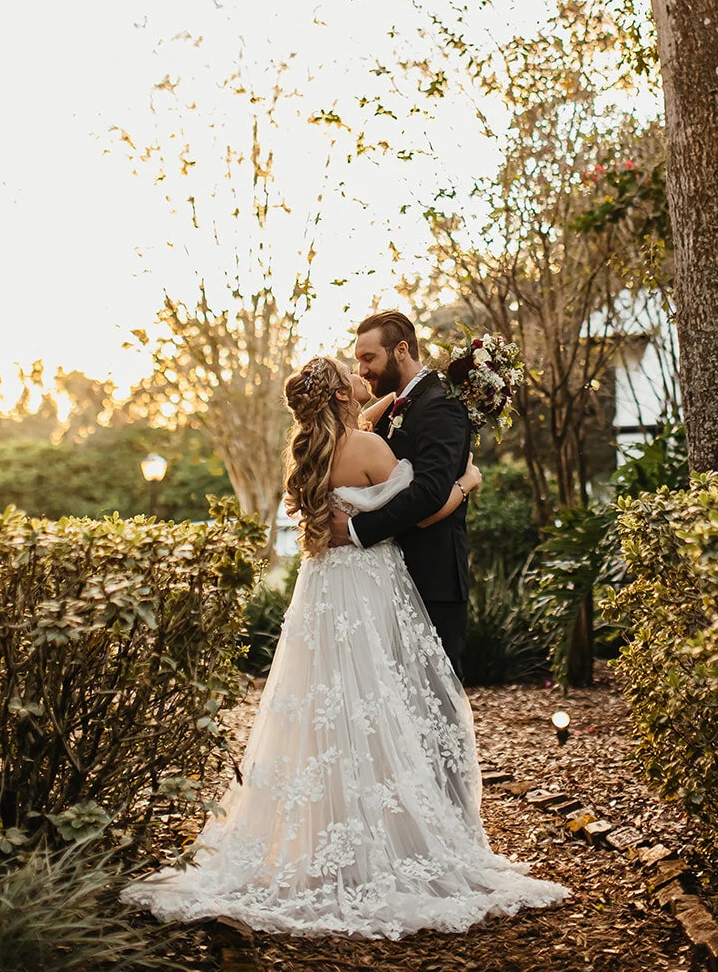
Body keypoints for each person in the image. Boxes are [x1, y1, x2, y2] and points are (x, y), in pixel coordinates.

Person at [120, 353, 568, 938]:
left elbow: (361, 427)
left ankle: (320, 831)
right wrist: (467, 480)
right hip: (370, 584)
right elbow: (425, 510)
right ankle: (389, 835)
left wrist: (378, 407)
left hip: (322, 589)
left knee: (325, 706)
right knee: (379, 700)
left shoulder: (305, 454)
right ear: (338, 396)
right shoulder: (371, 451)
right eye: (350, 373)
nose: (363, 377)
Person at [330, 310, 471, 677]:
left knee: (438, 701)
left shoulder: (440, 403)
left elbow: (428, 492)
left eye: (368, 358)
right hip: (389, 575)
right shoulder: (395, 405)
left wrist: (357, 529)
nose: (361, 370)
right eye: (359, 360)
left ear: (401, 351)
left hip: (432, 575)